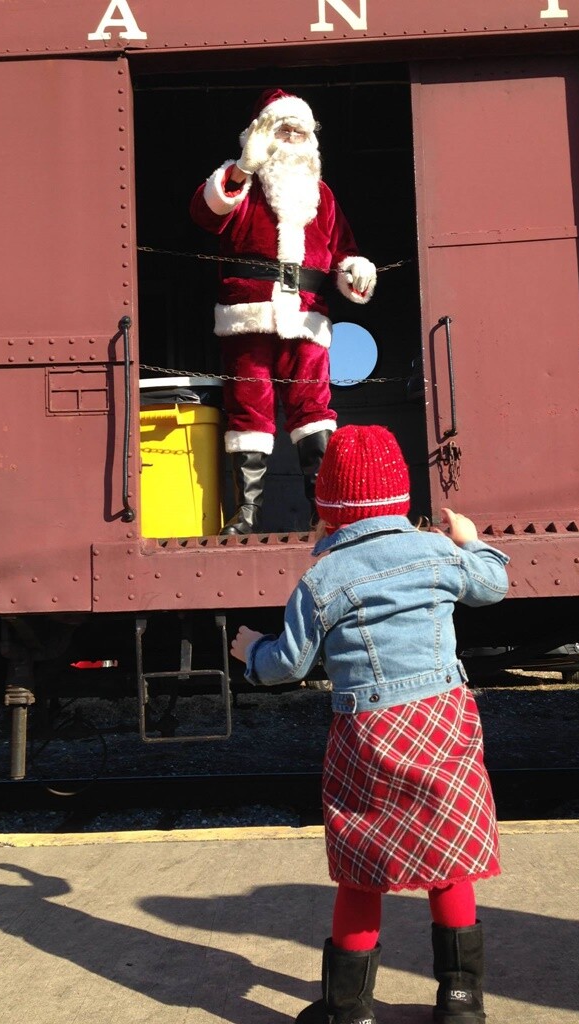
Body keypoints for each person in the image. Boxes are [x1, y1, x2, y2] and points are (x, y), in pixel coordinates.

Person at [230, 425, 510, 1024]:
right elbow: (493, 585)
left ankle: (348, 1009)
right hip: (444, 723)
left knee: (362, 868)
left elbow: (288, 666)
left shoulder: (322, 580)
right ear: (400, 498)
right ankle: (461, 1003)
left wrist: (251, 650)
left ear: (328, 507)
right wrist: (473, 541)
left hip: (369, 736)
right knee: (450, 861)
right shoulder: (438, 551)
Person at [190, 88, 377, 534]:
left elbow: (342, 252)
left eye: (300, 130)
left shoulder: (324, 196)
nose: (293, 137)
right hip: (247, 315)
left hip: (307, 317)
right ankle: (247, 514)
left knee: (313, 410)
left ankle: (322, 511)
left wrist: (355, 272)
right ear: (264, 134)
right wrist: (243, 166)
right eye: (284, 129)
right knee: (247, 410)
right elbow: (205, 213)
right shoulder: (241, 184)